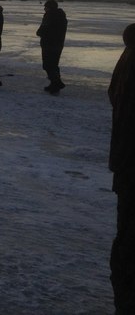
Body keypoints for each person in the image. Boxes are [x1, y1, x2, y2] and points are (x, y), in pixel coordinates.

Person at [109, 23, 135, 314]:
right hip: (128, 163)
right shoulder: (130, 61)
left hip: (125, 163)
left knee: (126, 236)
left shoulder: (127, 59)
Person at [36, 0, 68, 94]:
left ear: (49, 8)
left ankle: (56, 83)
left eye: (45, 7)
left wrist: (39, 32)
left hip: (49, 44)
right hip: (58, 44)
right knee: (54, 65)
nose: (44, 9)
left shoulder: (49, 16)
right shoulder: (62, 17)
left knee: (48, 65)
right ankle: (54, 83)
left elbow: (43, 29)